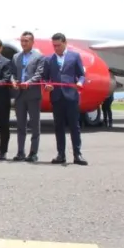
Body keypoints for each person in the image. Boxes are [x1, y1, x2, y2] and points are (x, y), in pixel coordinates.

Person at [41, 32, 88, 165]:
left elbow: (82, 75)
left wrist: (80, 83)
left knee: (74, 126)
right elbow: (44, 78)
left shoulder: (75, 56)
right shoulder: (48, 59)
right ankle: (61, 154)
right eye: (54, 46)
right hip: (56, 97)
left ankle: (77, 154)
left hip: (71, 96)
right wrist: (47, 85)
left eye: (59, 45)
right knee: (58, 127)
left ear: (65, 43)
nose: (56, 48)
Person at [12, 31, 46, 162]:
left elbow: (39, 74)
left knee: (34, 125)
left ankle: (33, 153)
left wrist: (29, 83)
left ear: (32, 42)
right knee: (20, 125)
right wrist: (14, 81)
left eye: (26, 41)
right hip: (19, 95)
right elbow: (13, 73)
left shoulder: (39, 57)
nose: (23, 43)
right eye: (22, 41)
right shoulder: (16, 57)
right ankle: (20, 152)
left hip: (32, 94)